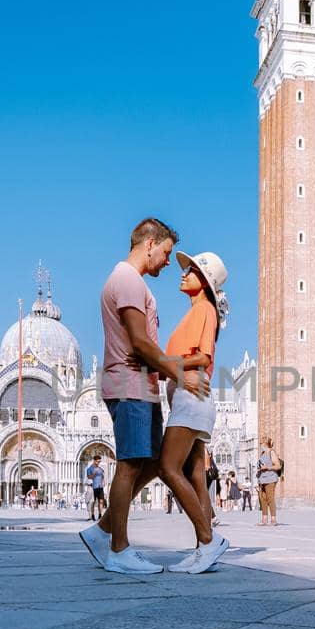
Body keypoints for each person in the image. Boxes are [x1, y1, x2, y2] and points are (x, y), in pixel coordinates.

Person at [80, 218, 213, 576]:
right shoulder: (126, 280)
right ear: (150, 243)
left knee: (152, 461)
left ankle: (103, 530)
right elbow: (139, 342)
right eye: (167, 253)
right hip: (130, 385)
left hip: (141, 387)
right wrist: (179, 374)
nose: (169, 262)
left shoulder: (131, 282)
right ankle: (118, 549)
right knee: (130, 464)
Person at [160, 249, 231, 575]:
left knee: (167, 468)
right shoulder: (194, 312)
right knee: (195, 477)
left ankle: (208, 539)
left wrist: (164, 364)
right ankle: (204, 548)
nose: (183, 273)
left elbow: (203, 357)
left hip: (191, 397)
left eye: (190, 271)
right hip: (186, 396)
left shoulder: (204, 309)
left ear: (203, 283)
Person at [257, 438, 281, 525]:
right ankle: (264, 519)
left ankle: (273, 519)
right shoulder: (262, 453)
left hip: (271, 478)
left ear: (265, 444)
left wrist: (267, 467)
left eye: (261, 444)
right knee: (263, 499)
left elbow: (278, 466)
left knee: (270, 498)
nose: (260, 445)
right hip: (262, 479)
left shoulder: (271, 452)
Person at [85, 455, 107, 521]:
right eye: (98, 461)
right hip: (93, 487)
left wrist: (103, 481)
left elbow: (102, 476)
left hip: (100, 486)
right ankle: (92, 515)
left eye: (99, 461)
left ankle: (100, 515)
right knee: (93, 502)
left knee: (101, 501)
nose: (99, 463)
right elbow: (89, 477)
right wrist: (94, 474)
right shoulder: (89, 469)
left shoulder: (100, 469)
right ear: (94, 461)